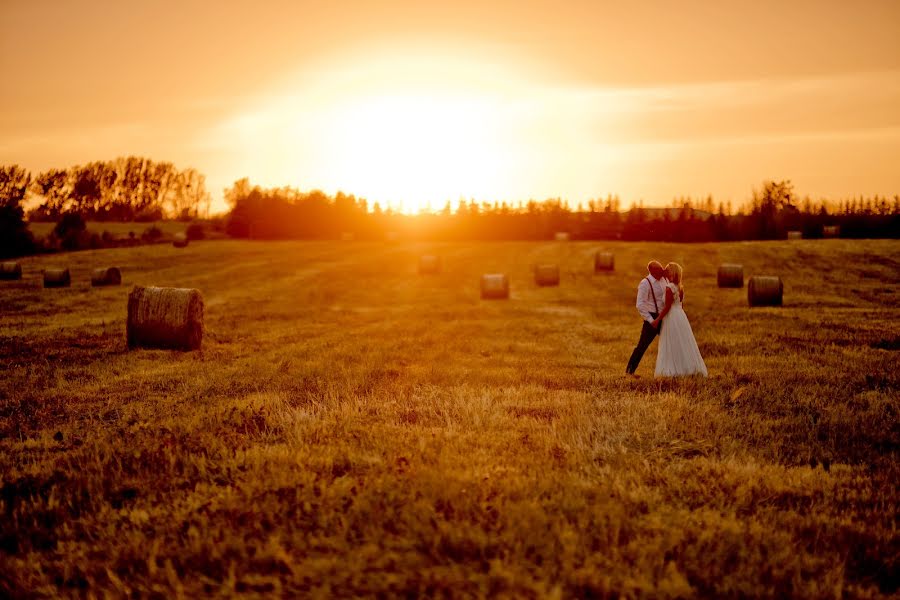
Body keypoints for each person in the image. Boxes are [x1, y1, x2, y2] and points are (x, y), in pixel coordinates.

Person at [653, 262, 708, 377]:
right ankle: (688, 368)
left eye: (667, 271)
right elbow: (680, 305)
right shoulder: (680, 287)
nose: (665, 273)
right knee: (683, 342)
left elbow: (667, 307)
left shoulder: (669, 288)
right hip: (680, 316)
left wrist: (657, 319)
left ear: (671, 272)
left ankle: (674, 369)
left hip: (672, 317)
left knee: (672, 342)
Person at [625, 261, 667, 377]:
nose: (662, 271)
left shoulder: (664, 280)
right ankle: (629, 372)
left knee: (671, 344)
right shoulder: (645, 283)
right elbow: (640, 304)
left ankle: (674, 371)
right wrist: (650, 320)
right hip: (652, 319)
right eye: (659, 270)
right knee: (642, 346)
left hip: (665, 317)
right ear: (652, 271)